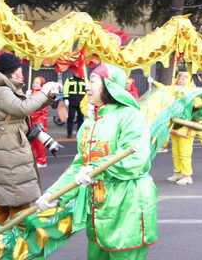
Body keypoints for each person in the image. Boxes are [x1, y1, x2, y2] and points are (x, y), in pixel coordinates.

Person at [36, 63, 157, 260]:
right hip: (98, 209)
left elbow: (137, 159)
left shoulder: (129, 116)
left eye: (92, 81)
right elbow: (79, 166)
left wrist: (94, 170)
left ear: (109, 85)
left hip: (128, 207)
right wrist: (53, 194)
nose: (86, 86)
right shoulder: (89, 123)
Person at [0, 53, 59, 224]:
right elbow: (23, 108)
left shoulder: (8, 88)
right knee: (16, 195)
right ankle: (17, 238)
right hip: (9, 149)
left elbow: (29, 107)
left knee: (12, 196)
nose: (21, 73)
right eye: (18, 69)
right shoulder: (2, 91)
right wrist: (43, 91)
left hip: (12, 146)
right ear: (10, 72)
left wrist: (49, 97)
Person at [30, 76, 50, 168]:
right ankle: (36, 159)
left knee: (39, 142)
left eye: (37, 83)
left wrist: (41, 122)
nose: (35, 84)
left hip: (39, 121)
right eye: (34, 82)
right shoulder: (31, 93)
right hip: (32, 121)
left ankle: (42, 161)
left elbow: (44, 111)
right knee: (33, 142)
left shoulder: (43, 95)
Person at [63, 74, 86, 138]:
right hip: (72, 101)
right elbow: (65, 89)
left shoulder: (85, 80)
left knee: (81, 118)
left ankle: (79, 133)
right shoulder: (69, 80)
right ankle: (69, 133)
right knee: (71, 117)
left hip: (82, 102)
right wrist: (66, 98)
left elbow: (88, 90)